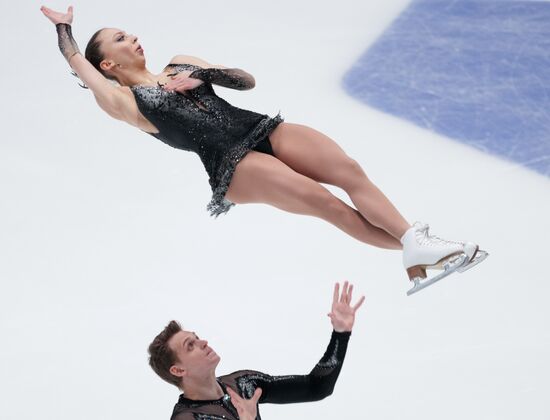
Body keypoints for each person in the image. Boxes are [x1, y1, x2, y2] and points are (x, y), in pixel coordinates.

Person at [40, 6, 487, 293]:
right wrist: (64, 28)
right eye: (121, 39)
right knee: (327, 203)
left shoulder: (180, 62)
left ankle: (417, 245)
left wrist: (206, 73)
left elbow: (246, 80)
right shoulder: (125, 102)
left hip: (260, 129)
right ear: (108, 64)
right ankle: (425, 250)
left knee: (348, 169)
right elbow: (78, 62)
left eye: (129, 32)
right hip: (232, 164)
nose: (132, 37)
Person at [147, 282, 365, 420]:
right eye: (190, 346)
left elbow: (317, 387)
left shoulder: (244, 384)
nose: (203, 342)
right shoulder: (187, 418)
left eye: (196, 337)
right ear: (178, 370)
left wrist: (340, 333)